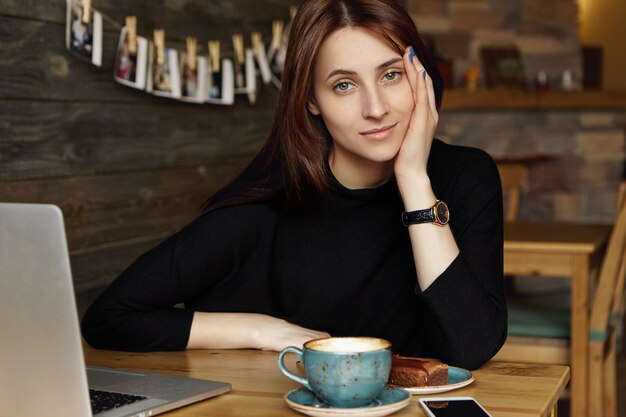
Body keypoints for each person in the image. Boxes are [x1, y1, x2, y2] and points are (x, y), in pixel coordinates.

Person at [82, 0, 506, 370]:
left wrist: (414, 180)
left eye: (391, 75)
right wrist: (262, 330)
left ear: (422, 76)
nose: (376, 108)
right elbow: (109, 318)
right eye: (344, 85)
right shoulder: (268, 206)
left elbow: (471, 345)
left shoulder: (465, 177)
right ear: (311, 100)